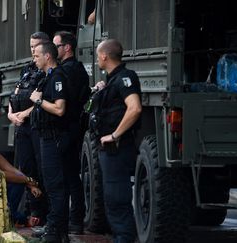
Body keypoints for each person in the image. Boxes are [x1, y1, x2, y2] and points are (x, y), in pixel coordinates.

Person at [93, 39, 141, 243]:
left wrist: (114, 135)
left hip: (117, 148)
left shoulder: (125, 77)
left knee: (117, 198)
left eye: (97, 56)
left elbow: (135, 108)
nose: (96, 60)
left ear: (104, 56)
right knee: (112, 198)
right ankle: (120, 237)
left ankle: (124, 238)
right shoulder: (112, 80)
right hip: (109, 149)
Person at [8, 31, 50, 227]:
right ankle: (30, 210)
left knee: (41, 168)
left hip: (35, 125)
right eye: (31, 45)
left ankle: (42, 213)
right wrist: (11, 114)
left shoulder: (46, 70)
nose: (33, 49)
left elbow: (45, 99)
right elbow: (14, 94)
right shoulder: (27, 68)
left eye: (36, 46)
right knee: (24, 168)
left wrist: (24, 114)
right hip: (20, 125)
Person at [30, 42, 70, 243]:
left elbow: (60, 109)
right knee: (50, 182)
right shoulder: (48, 77)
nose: (34, 59)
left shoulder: (57, 77)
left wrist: (38, 100)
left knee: (55, 184)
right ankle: (56, 228)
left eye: (37, 55)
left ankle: (56, 229)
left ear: (47, 56)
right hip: (46, 136)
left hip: (54, 137)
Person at [53, 31, 90, 234]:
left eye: (56, 45)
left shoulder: (70, 70)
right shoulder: (71, 69)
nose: (52, 49)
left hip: (68, 127)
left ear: (67, 47)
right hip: (71, 126)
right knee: (69, 175)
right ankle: (72, 220)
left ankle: (74, 220)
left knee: (68, 176)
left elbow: (67, 101)